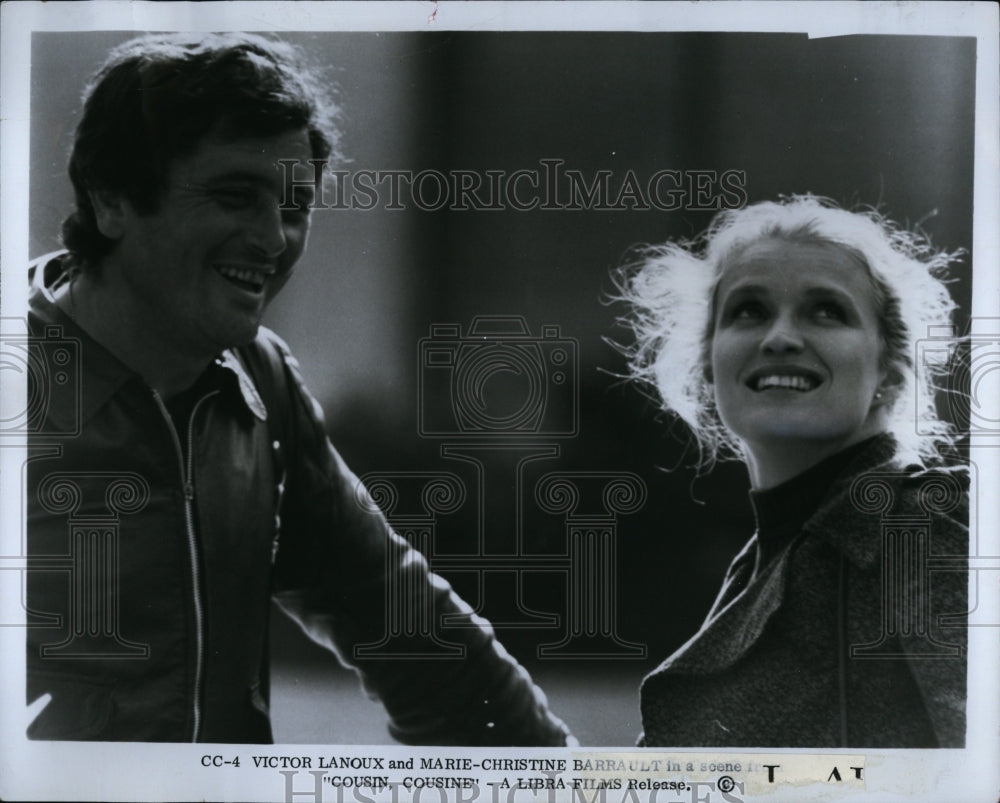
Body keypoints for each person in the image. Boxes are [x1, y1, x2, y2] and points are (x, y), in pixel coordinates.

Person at [25, 32, 572, 745]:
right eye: (234, 196)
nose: (273, 238)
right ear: (110, 199)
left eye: (294, 207)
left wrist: (567, 783)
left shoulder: (260, 378)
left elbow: (411, 629)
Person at [615, 195, 968, 748]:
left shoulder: (921, 526)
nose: (779, 337)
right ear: (708, 364)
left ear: (891, 371)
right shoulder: (768, 559)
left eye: (827, 310)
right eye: (748, 310)